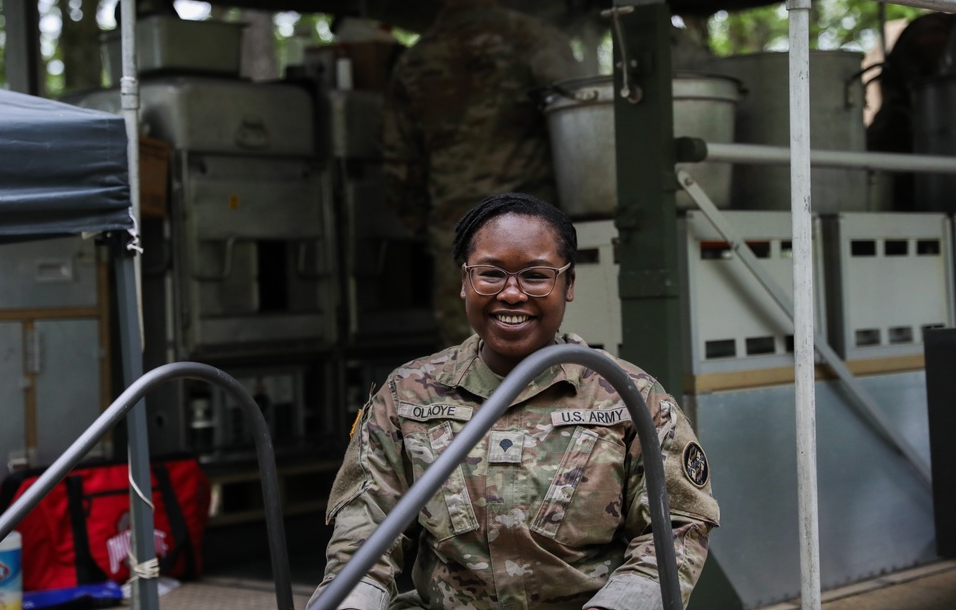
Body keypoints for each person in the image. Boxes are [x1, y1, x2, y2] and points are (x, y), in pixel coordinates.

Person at [308, 192, 720, 610]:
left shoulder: (632, 398)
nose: (511, 294)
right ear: (465, 283)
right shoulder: (408, 394)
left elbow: (675, 535)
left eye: (536, 276)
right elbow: (363, 539)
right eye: (490, 274)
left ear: (569, 284)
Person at [380, 0, 584, 348]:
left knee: (467, 357)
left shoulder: (415, 61)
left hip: (458, 234)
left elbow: (398, 162)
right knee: (547, 350)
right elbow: (578, 123)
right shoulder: (531, 39)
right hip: (536, 235)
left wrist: (431, 227)